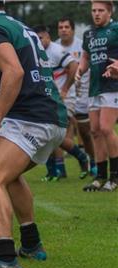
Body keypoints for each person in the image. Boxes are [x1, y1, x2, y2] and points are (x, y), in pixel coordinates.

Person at [0, 0, 68, 268]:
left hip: (31, 118)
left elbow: (14, 71)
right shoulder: (20, 26)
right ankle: (31, 244)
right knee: (8, 175)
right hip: (52, 117)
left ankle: (5, 260)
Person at [34, 25, 90, 181]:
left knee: (53, 132)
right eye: (35, 38)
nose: (38, 41)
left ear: (48, 36)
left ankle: (58, 169)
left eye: (41, 38)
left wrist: (65, 89)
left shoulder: (57, 50)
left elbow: (74, 66)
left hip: (64, 98)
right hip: (47, 100)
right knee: (48, 133)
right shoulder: (36, 53)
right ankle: (59, 168)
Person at [77, 0, 118, 192]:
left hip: (113, 85)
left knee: (106, 128)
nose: (97, 14)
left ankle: (115, 177)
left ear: (110, 12)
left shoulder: (116, 29)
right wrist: (80, 69)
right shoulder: (89, 34)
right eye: (94, 10)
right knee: (94, 131)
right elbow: (86, 56)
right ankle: (100, 177)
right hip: (94, 87)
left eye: (101, 10)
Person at [57, 17, 97, 178]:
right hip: (63, 95)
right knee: (58, 129)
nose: (64, 30)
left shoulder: (82, 45)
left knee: (86, 133)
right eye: (61, 27)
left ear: (72, 30)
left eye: (67, 27)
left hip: (83, 95)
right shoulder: (54, 46)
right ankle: (60, 168)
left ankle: (93, 162)